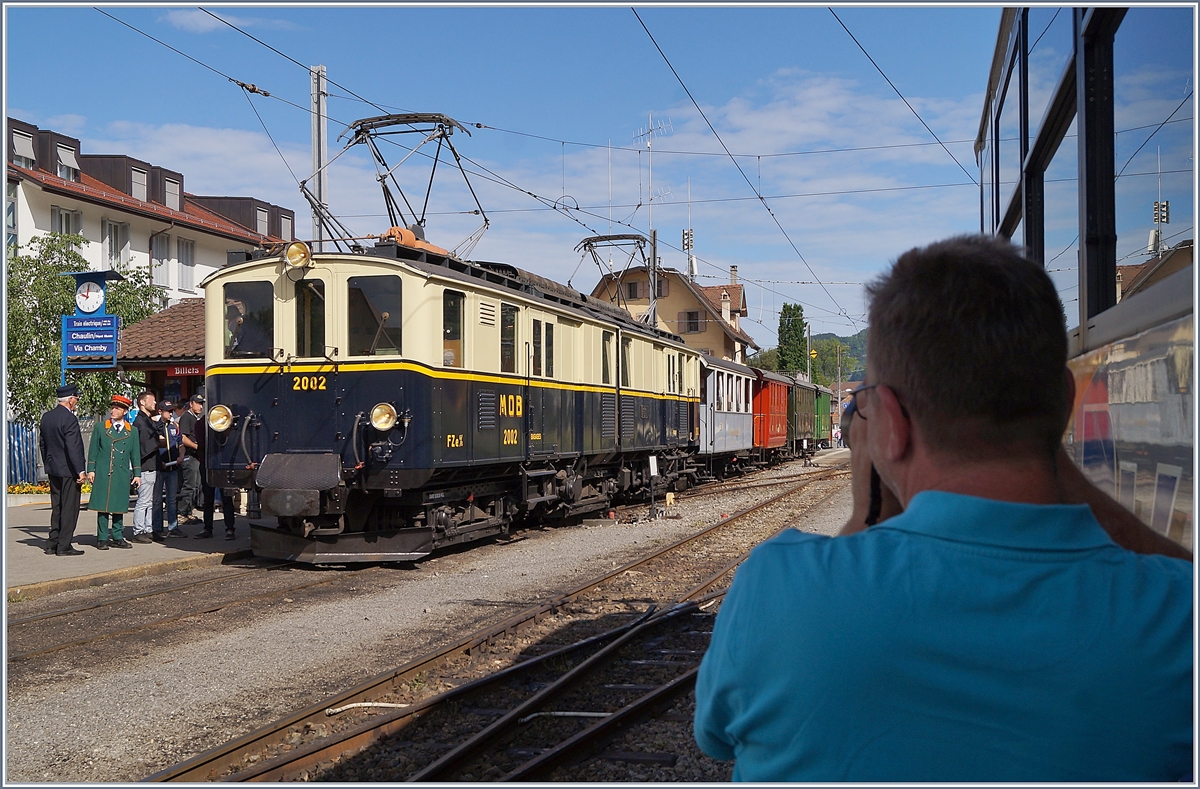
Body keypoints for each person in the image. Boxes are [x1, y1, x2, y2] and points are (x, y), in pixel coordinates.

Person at [694, 235, 1193, 782]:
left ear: (888, 421)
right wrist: (1049, 454)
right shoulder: (1177, 615)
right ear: (1064, 402)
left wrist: (866, 517)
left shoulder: (775, 588)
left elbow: (714, 738)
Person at [86, 394, 141, 550]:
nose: (113, 410)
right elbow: (93, 451)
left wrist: (137, 474)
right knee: (103, 506)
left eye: (117, 408)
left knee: (119, 505)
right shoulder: (100, 427)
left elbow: (135, 453)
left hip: (121, 472)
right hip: (104, 471)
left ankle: (118, 536)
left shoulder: (132, 431)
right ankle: (102, 538)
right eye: (112, 407)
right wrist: (91, 470)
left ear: (124, 411)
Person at [38, 384, 87, 556]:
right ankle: (64, 545)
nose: (77, 402)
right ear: (70, 400)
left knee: (57, 506)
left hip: (54, 468)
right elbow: (73, 447)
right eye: (76, 399)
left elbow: (42, 444)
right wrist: (80, 470)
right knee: (69, 508)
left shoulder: (47, 417)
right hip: (69, 470)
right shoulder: (69, 419)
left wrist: (48, 463)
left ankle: (52, 543)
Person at [191, 413, 237, 540]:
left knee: (226, 497)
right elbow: (202, 443)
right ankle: (208, 528)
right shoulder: (201, 424)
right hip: (208, 464)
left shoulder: (226, 421)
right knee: (208, 498)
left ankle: (229, 528)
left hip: (221, 464)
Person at [129, 391, 164, 542]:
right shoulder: (140, 423)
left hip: (152, 465)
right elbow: (146, 445)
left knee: (150, 501)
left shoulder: (147, 420)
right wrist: (158, 441)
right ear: (142, 403)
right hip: (144, 467)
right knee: (143, 500)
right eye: (152, 400)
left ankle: (148, 529)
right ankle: (138, 531)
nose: (155, 403)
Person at [152, 400, 184, 538]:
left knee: (172, 499)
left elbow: (180, 443)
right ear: (160, 411)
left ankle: (173, 527)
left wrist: (181, 456)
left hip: (173, 468)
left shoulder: (174, 426)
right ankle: (157, 528)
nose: (170, 413)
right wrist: (159, 462)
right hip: (160, 468)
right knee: (157, 500)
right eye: (168, 411)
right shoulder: (154, 426)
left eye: (171, 411)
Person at [176, 394, 205, 523]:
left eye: (202, 403)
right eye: (198, 403)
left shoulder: (195, 418)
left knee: (195, 485)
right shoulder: (186, 417)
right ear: (191, 404)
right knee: (189, 485)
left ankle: (189, 511)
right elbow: (182, 437)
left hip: (195, 456)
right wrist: (196, 446)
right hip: (189, 455)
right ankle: (181, 513)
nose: (201, 406)